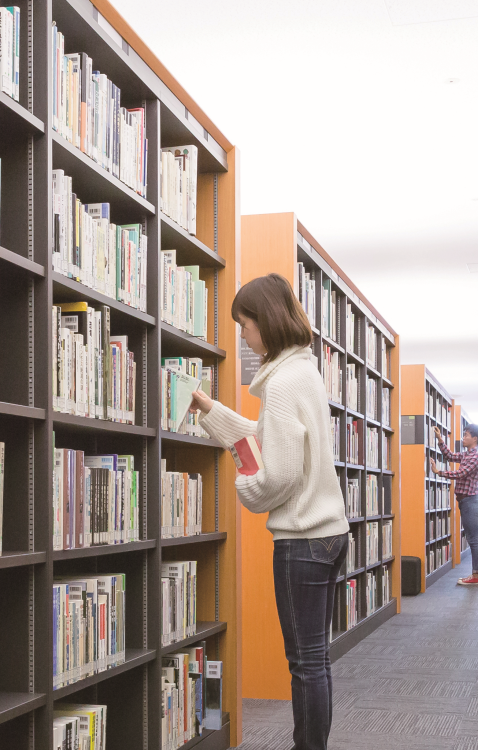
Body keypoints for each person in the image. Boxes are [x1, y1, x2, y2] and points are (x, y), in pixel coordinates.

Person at [189, 273, 348, 750]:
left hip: (302, 541)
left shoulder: (281, 383)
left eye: (245, 324)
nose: (242, 336)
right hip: (329, 533)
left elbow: (276, 475)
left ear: (267, 321)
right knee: (315, 660)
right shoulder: (304, 371)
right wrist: (211, 410)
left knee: (304, 663)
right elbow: (267, 437)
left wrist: (245, 488)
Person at [429, 424, 478, 586]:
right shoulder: (468, 455)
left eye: (466, 435)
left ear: (475, 438)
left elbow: (461, 473)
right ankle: (476, 574)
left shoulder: (476, 457)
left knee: (473, 539)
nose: (463, 438)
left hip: (470, 501)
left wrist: (439, 472)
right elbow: (450, 456)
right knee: (472, 537)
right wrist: (440, 439)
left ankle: (477, 575)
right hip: (466, 501)